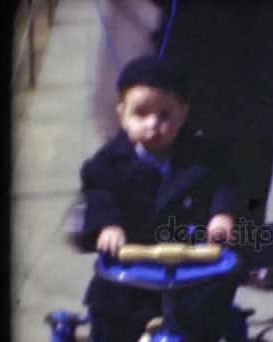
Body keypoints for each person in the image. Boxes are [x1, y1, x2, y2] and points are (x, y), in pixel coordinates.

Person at [75, 54, 246, 342]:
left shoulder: (203, 158)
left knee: (208, 308)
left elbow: (223, 184)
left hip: (189, 262)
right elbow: (99, 192)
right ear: (122, 115)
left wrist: (221, 215)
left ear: (184, 112)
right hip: (132, 262)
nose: (153, 124)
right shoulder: (108, 165)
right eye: (140, 114)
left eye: (165, 114)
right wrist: (109, 225)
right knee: (109, 310)